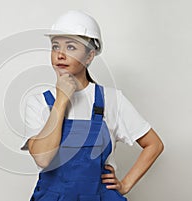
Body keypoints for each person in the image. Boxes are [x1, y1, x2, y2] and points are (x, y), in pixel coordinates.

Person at [21, 10, 164, 201]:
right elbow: (42, 158)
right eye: (55, 46)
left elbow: (154, 144)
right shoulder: (38, 102)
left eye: (71, 47)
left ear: (90, 56)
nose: (60, 55)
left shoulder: (112, 100)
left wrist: (125, 184)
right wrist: (62, 100)